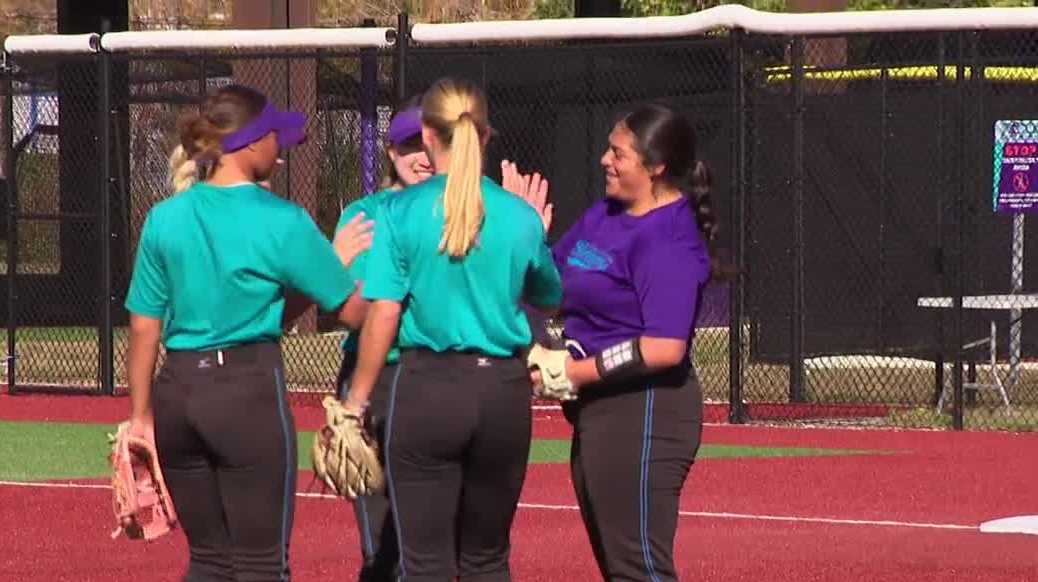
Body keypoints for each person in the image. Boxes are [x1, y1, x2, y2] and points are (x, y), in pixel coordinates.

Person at [123, 84, 371, 581]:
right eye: (274, 138)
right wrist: (364, 273)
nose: (280, 152)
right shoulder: (281, 218)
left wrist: (139, 416)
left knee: (210, 561)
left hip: (179, 393)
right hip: (246, 391)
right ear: (251, 144)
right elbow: (352, 311)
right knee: (261, 564)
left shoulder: (164, 217)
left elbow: (145, 325)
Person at [343, 77, 563, 581]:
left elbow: (383, 312)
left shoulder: (399, 210)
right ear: (486, 136)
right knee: (487, 560)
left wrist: (356, 401)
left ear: (426, 135)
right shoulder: (517, 215)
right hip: (502, 394)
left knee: (425, 563)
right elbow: (550, 297)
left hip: (427, 389)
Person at [514, 103, 722, 582]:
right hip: (599, 409)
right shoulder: (605, 214)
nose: (605, 160)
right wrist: (526, 236)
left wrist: (573, 372)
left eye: (618, 153)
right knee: (618, 566)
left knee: (639, 569)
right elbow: (551, 292)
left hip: (644, 409)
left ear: (656, 167)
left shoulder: (667, 238)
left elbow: (663, 347)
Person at [331, 95, 432, 582]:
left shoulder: (462, 206)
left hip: (438, 374)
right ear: (391, 151)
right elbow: (356, 310)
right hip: (380, 375)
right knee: (380, 540)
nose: (424, 156)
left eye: (433, 143)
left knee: (437, 536)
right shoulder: (366, 213)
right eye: (411, 144)